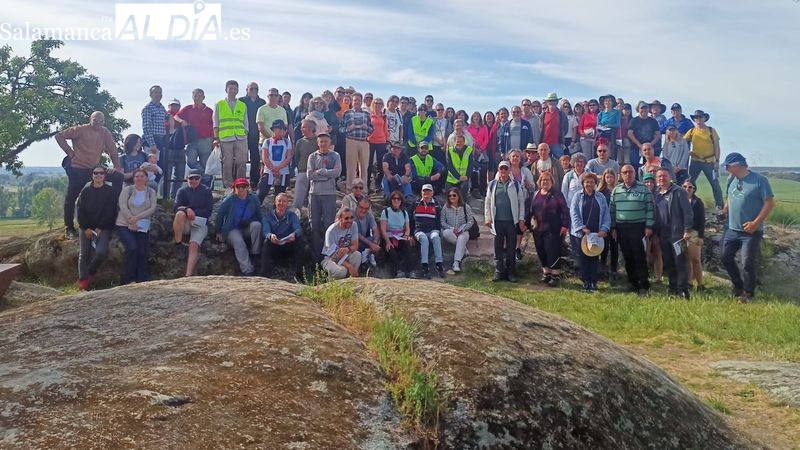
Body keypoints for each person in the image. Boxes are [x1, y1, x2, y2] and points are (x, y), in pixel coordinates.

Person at [56, 111, 124, 239]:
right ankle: (69, 228)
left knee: (118, 177)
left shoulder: (104, 132)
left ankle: (113, 209)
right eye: (95, 121)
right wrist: (70, 152)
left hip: (94, 169)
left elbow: (112, 149)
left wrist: (117, 167)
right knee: (71, 197)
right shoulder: (80, 129)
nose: (98, 124)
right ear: (90, 119)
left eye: (101, 122)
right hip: (78, 168)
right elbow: (59, 136)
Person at [719, 152, 775, 303]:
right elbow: (729, 198)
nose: (725, 169)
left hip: (751, 231)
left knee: (747, 262)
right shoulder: (731, 179)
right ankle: (738, 286)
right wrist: (725, 210)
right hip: (731, 228)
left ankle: (748, 293)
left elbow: (769, 203)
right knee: (725, 257)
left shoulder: (759, 180)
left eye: (727, 166)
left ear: (737, 165)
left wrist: (756, 223)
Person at [610, 164, 654, 296]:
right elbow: (612, 211)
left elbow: (650, 209)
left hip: (638, 226)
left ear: (635, 174)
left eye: (630, 172)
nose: (628, 175)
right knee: (627, 256)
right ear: (621, 175)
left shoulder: (644, 189)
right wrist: (613, 228)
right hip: (621, 227)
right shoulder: (616, 190)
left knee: (639, 256)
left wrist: (649, 226)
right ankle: (632, 282)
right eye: (625, 173)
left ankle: (643, 285)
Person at [75, 166, 119, 290]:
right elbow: (80, 211)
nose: (98, 175)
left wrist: (100, 227)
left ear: (105, 176)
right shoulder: (86, 191)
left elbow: (110, 212)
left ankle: (90, 272)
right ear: (92, 175)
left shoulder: (110, 191)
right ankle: (83, 282)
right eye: (96, 173)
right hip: (86, 227)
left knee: (100, 252)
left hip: (104, 227)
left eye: (101, 173)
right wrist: (86, 228)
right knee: (84, 254)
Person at [654, 168, 693, 299]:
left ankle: (683, 290)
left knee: (680, 262)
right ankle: (672, 288)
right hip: (664, 235)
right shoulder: (657, 193)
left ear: (670, 177)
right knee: (669, 262)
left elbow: (688, 212)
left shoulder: (679, 191)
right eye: (659, 177)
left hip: (678, 235)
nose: (661, 179)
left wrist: (687, 230)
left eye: (664, 176)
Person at [485, 161, 526, 282]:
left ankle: (511, 272)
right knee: (497, 248)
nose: (503, 171)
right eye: (501, 169)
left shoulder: (516, 185)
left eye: (505, 169)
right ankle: (498, 272)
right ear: (498, 170)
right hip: (497, 221)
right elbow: (487, 202)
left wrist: (521, 219)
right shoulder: (492, 185)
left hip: (511, 222)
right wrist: (488, 217)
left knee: (511, 248)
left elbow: (521, 203)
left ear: (509, 171)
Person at [527, 172, 569, 287]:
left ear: (552, 182)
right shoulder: (536, 194)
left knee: (552, 252)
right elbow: (531, 210)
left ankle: (555, 275)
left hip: (553, 229)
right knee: (541, 251)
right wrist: (527, 223)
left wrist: (565, 226)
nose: (545, 182)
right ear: (539, 182)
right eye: (543, 180)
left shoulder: (557, 194)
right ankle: (547, 273)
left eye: (547, 180)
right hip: (538, 229)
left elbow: (564, 210)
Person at [570, 172, 611, 292]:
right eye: (587, 182)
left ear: (595, 183)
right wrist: (581, 228)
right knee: (583, 259)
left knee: (594, 258)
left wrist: (604, 229)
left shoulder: (600, 197)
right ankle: (585, 282)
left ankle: (593, 282)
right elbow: (574, 213)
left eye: (592, 182)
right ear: (583, 183)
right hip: (582, 233)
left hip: (596, 233)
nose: (589, 184)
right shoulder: (577, 196)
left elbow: (606, 214)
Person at [116, 168, 157, 284]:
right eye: (137, 176)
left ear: (146, 178)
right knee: (132, 248)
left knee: (142, 251)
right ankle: (129, 279)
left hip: (142, 225)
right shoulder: (127, 190)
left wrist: (137, 219)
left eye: (142, 176)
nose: (139, 179)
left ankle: (143, 278)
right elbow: (122, 206)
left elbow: (152, 208)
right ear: (133, 178)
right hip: (124, 224)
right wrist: (131, 220)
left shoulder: (151, 192)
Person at [215, 178, 263, 276]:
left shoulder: (254, 199)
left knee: (257, 226)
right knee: (239, 242)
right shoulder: (229, 200)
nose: (241, 189)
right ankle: (248, 270)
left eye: (244, 186)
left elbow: (259, 216)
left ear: (247, 188)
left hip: (246, 228)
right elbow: (220, 215)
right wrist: (218, 231)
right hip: (232, 229)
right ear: (234, 188)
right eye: (238, 187)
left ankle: (255, 253)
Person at [172, 169, 214, 277]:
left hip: (200, 223)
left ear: (200, 179)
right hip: (185, 222)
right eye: (191, 178)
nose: (194, 180)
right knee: (179, 214)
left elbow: (208, 211)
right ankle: (178, 244)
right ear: (187, 179)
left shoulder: (207, 191)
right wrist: (187, 210)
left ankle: (188, 275)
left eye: (196, 178)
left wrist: (194, 212)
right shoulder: (182, 191)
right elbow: (176, 207)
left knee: (194, 245)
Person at [307, 132, 342, 261]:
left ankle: (329, 256)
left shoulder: (335, 156)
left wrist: (322, 172)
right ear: (317, 143)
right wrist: (328, 175)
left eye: (325, 141)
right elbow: (309, 175)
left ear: (330, 143)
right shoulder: (312, 156)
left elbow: (337, 172)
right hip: (314, 194)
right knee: (314, 225)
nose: (323, 144)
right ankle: (317, 258)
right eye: (321, 141)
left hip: (329, 194)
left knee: (329, 225)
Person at [213, 80, 249, 189]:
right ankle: (228, 186)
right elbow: (216, 122)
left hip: (240, 137)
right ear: (226, 90)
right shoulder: (220, 104)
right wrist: (216, 137)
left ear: (238, 90)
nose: (233, 90)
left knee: (241, 162)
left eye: (235, 88)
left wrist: (245, 132)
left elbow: (245, 120)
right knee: (227, 163)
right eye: (230, 88)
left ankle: (241, 185)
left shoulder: (242, 105)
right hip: (225, 137)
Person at [685, 109, 724, 209]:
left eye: (700, 117)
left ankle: (719, 206)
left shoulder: (711, 130)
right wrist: (688, 152)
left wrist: (717, 161)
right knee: (689, 183)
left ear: (704, 118)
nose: (698, 119)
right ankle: (688, 202)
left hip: (709, 162)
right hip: (695, 162)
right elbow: (682, 142)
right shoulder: (692, 131)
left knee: (714, 184)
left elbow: (717, 146)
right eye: (696, 118)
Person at [261, 192, 304, 281]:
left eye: (284, 201)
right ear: (275, 203)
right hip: (274, 246)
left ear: (287, 203)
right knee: (266, 241)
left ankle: (299, 275)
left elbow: (298, 229)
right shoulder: (267, 216)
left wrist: (294, 234)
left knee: (299, 240)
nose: (281, 203)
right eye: (279, 201)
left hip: (288, 246)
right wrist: (271, 236)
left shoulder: (292, 215)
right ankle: (264, 274)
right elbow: (265, 231)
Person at [177, 88, 215, 179]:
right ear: (192, 97)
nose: (197, 98)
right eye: (195, 96)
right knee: (190, 161)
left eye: (199, 96)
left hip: (206, 140)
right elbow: (176, 116)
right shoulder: (188, 109)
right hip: (192, 140)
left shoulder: (209, 111)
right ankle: (204, 174)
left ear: (203, 97)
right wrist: (181, 121)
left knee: (205, 163)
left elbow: (215, 125)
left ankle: (207, 187)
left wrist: (215, 140)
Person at [506, 148, 535, 261]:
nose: (515, 158)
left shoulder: (525, 171)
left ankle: (517, 248)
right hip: (508, 201)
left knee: (520, 225)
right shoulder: (505, 169)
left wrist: (529, 185)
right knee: (509, 224)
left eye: (517, 156)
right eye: (513, 156)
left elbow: (532, 186)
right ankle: (507, 247)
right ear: (509, 157)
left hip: (523, 201)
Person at [340, 92, 373, 188]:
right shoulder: (347, 113)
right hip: (351, 141)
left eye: (358, 100)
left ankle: (364, 190)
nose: (357, 102)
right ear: (352, 101)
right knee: (351, 167)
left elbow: (372, 129)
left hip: (364, 142)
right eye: (355, 100)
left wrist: (367, 127)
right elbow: (340, 128)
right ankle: (350, 189)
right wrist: (348, 129)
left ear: (361, 101)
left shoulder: (366, 114)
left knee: (364, 167)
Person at [412, 184, 445, 279]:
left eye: (428, 191)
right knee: (424, 239)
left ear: (432, 193)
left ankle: (439, 264)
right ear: (421, 192)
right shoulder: (416, 203)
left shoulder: (436, 204)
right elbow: (410, 219)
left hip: (432, 229)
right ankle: (424, 266)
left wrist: (438, 230)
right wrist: (411, 233)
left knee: (435, 237)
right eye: (424, 191)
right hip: (419, 230)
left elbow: (439, 219)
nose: (426, 193)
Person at [380, 191, 415, 278]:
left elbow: (407, 228)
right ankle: (399, 270)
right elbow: (383, 229)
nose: (396, 201)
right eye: (394, 198)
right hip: (389, 236)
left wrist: (406, 236)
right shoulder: (385, 212)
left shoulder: (404, 213)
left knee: (407, 244)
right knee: (390, 248)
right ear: (391, 200)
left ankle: (410, 270)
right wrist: (388, 241)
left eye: (398, 199)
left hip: (400, 236)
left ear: (401, 201)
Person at [257, 119, 293, 202]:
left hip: (283, 172)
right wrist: (273, 169)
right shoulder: (267, 142)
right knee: (261, 193)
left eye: (284, 129)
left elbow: (288, 157)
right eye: (279, 129)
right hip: (269, 171)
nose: (282, 131)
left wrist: (278, 168)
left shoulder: (287, 142)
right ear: (274, 130)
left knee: (279, 195)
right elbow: (265, 157)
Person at [322, 207, 362, 280]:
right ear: (340, 218)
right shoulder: (331, 231)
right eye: (346, 218)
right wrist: (349, 266)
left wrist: (348, 249)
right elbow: (332, 254)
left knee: (358, 255)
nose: (350, 220)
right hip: (330, 258)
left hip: (344, 254)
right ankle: (332, 282)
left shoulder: (354, 225)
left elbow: (355, 246)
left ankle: (351, 279)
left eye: (351, 217)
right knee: (342, 271)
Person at [440, 187, 474, 273]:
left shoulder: (465, 207)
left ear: (458, 196)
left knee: (461, 238)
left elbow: (471, 221)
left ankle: (456, 262)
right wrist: (451, 228)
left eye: (454, 195)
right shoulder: (445, 207)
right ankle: (463, 247)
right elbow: (442, 221)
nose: (452, 197)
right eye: (450, 196)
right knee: (445, 233)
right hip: (450, 231)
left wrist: (462, 229)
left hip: (463, 231)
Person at [141, 85, 171, 179]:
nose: (158, 94)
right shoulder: (147, 108)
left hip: (161, 140)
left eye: (160, 92)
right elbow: (146, 127)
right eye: (156, 92)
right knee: (150, 168)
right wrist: (152, 144)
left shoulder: (162, 108)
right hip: (152, 140)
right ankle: (146, 188)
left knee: (160, 167)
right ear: (150, 94)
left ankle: (153, 190)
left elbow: (168, 118)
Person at [239, 82, 266, 187]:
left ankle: (254, 182)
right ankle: (240, 182)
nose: (254, 91)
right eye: (251, 89)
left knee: (255, 159)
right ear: (247, 90)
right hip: (243, 135)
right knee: (241, 160)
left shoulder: (262, 102)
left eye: (256, 89)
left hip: (257, 135)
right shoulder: (241, 101)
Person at [683, 180, 706, 291]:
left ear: (694, 189)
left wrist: (701, 236)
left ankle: (700, 284)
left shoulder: (698, 202)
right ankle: (689, 282)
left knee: (695, 259)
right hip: (682, 232)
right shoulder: (680, 200)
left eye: (690, 187)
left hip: (694, 233)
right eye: (684, 186)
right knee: (687, 259)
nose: (687, 189)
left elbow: (702, 221)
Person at [597, 168, 620, 280]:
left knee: (614, 247)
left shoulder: (619, 190)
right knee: (604, 247)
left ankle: (614, 270)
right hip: (604, 223)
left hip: (616, 222)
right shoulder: (600, 192)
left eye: (611, 177)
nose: (609, 179)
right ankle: (602, 268)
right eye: (607, 177)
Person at [292, 119, 319, 210]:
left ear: (311, 128)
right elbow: (297, 157)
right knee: (298, 198)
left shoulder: (318, 141)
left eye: (303, 127)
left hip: (315, 173)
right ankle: (296, 214)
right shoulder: (300, 142)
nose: (301, 129)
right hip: (302, 171)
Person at [627, 102, 661, 174]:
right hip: (635, 147)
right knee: (634, 165)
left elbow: (658, 135)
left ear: (648, 110)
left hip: (649, 148)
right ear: (638, 110)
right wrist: (639, 145)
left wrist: (650, 145)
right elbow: (630, 133)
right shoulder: (634, 120)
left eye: (646, 108)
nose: (644, 110)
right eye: (642, 108)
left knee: (649, 166)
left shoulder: (653, 121)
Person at [445, 134, 475, 201]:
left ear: (464, 142)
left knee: (463, 193)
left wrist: (467, 176)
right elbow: (449, 166)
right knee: (449, 197)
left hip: (464, 178)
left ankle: (463, 206)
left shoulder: (469, 150)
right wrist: (458, 177)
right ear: (454, 142)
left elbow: (471, 165)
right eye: (457, 142)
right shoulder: (449, 150)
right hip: (452, 179)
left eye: (461, 142)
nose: (459, 143)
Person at [540, 92, 570, 157]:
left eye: (554, 100)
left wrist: (561, 137)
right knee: (545, 163)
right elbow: (540, 128)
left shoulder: (562, 114)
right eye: (550, 101)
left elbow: (566, 128)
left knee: (559, 163)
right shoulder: (543, 115)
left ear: (557, 102)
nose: (552, 102)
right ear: (547, 102)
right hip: (545, 143)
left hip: (557, 143)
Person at [367, 97, 389, 189]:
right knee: (369, 163)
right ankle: (367, 183)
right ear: (373, 104)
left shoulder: (384, 116)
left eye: (380, 103)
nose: (378, 105)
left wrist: (387, 140)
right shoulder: (369, 115)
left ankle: (378, 183)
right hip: (370, 141)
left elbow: (385, 129)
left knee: (381, 163)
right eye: (376, 103)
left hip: (381, 141)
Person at [354, 197, 380, 270]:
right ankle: (364, 262)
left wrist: (375, 242)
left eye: (366, 208)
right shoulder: (351, 215)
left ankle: (368, 256)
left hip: (365, 240)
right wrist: (371, 244)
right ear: (357, 206)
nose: (363, 210)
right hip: (353, 241)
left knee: (376, 238)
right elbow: (356, 234)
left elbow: (375, 229)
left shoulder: (369, 215)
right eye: (361, 207)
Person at [597, 94, 621, 159]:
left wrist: (609, 125)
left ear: (612, 102)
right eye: (606, 101)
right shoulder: (600, 114)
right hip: (602, 134)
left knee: (611, 152)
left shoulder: (617, 112)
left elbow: (618, 124)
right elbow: (598, 124)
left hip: (612, 134)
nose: (607, 102)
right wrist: (601, 127)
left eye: (609, 100)